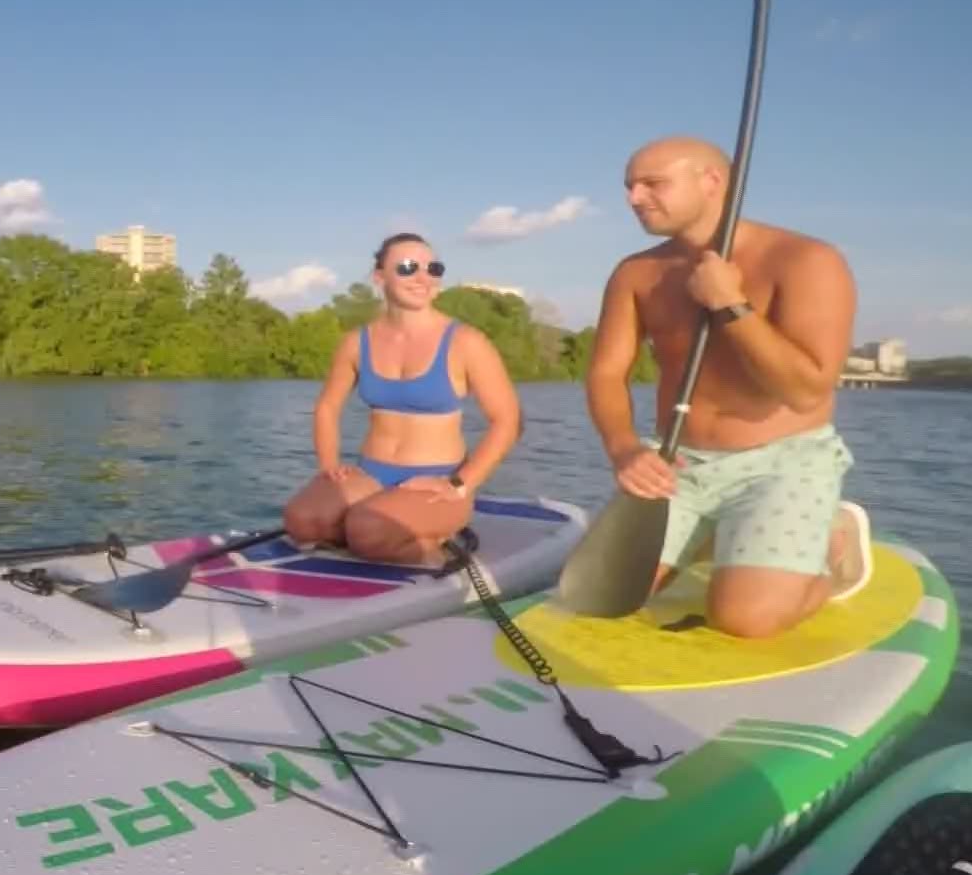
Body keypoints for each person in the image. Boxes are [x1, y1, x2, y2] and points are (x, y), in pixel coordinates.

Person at [585, 135, 874, 638]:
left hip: (782, 462)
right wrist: (624, 448)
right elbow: (607, 373)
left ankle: (833, 551)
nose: (633, 198)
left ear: (711, 181)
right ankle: (712, 534)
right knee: (598, 598)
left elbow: (807, 390)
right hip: (675, 462)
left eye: (652, 184)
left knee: (744, 620)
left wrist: (730, 306)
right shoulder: (635, 273)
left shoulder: (807, 259)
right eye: (629, 187)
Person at [283, 233, 522, 565]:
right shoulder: (356, 342)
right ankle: (377, 530)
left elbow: (507, 421)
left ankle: (433, 539)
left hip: (438, 480)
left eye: (433, 268)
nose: (424, 278)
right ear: (379, 277)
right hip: (370, 473)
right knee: (303, 521)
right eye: (408, 268)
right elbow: (327, 407)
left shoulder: (466, 342)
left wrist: (459, 484)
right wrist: (329, 468)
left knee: (366, 529)